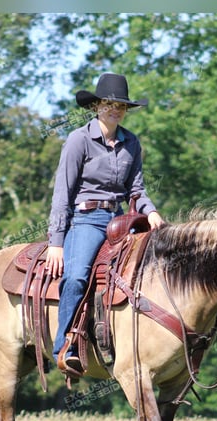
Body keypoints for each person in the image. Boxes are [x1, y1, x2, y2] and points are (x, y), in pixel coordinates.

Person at [47, 73, 165, 375]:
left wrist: (150, 212)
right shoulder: (78, 140)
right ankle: (64, 347)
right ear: (97, 106)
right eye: (110, 104)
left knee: (152, 272)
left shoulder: (131, 143)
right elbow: (63, 193)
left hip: (122, 220)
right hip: (86, 219)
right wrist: (56, 242)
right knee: (75, 277)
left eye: (121, 106)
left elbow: (136, 189)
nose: (116, 110)